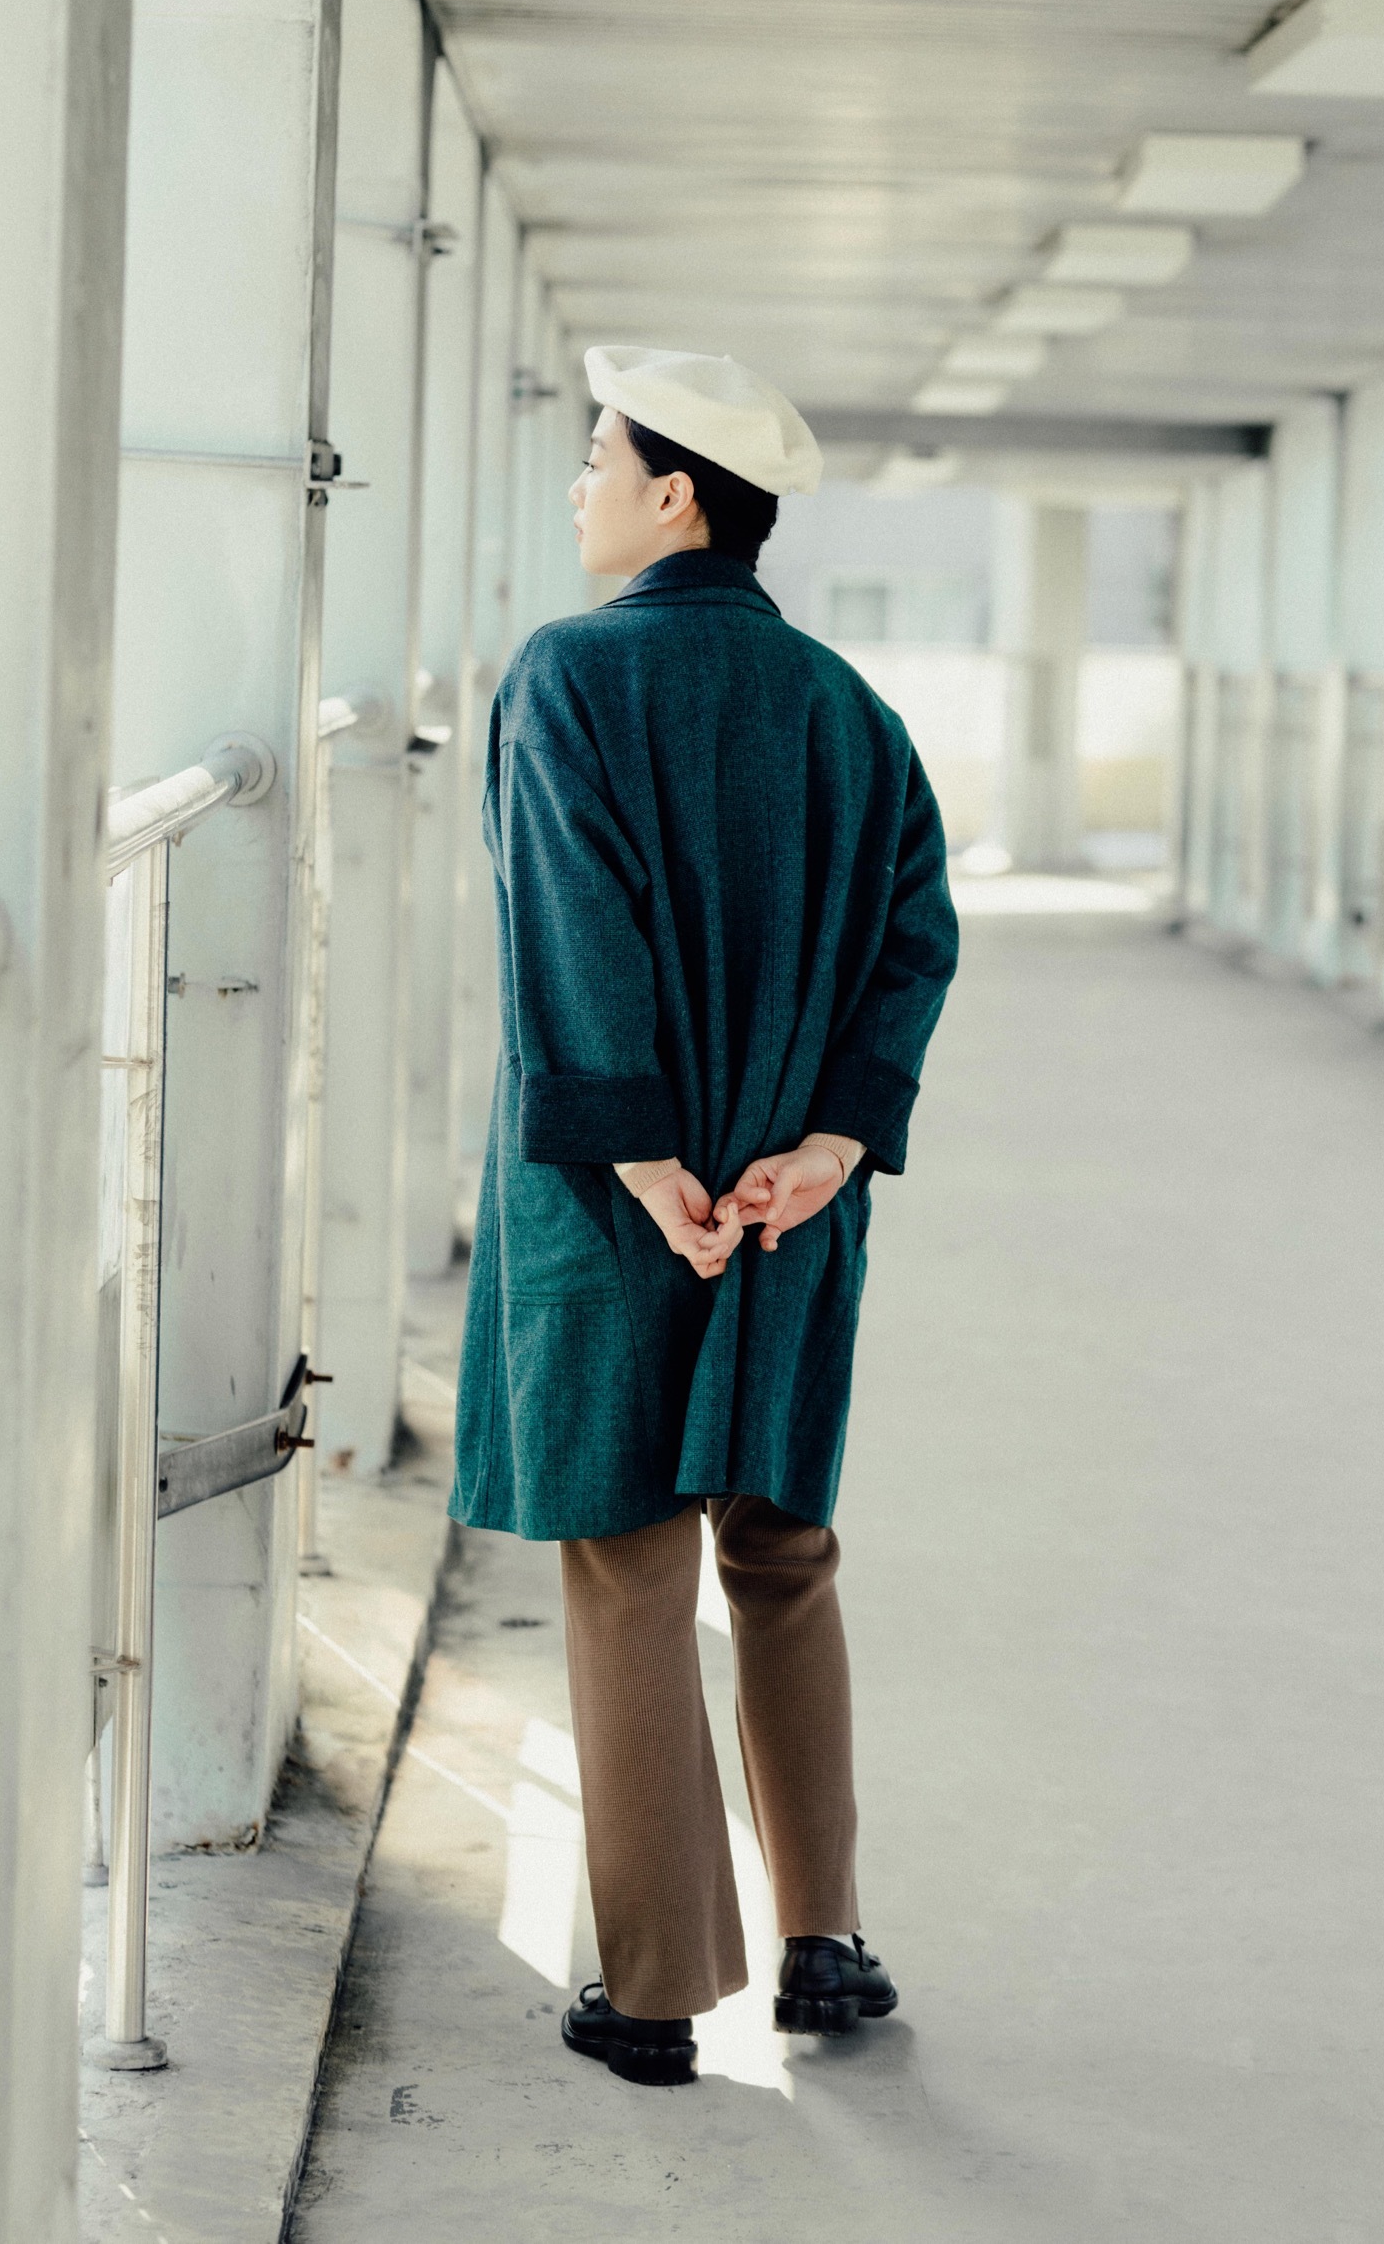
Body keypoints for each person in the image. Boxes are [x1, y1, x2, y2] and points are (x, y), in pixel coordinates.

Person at [451, 344, 959, 2088]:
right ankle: (825, 1942)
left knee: (630, 1558)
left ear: (674, 494)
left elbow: (571, 923)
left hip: (622, 1200)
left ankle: (658, 1992)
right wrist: (831, 1143)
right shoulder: (847, 709)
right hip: (792, 1198)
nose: (579, 484)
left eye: (598, 457)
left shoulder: (570, 675)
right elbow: (916, 937)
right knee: (783, 1547)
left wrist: (639, 1158)